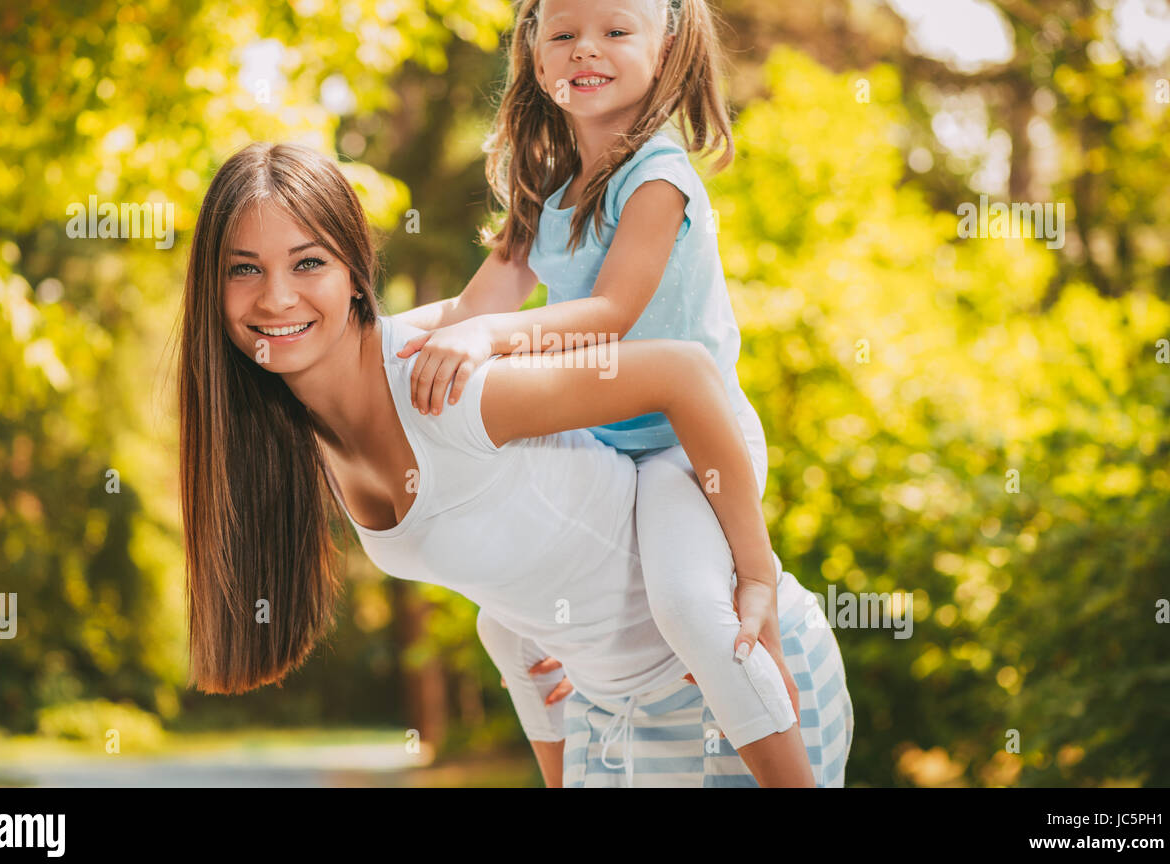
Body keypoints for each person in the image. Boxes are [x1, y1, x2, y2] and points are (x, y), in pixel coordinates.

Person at [179, 141, 852, 786]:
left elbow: (681, 373)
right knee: (499, 625)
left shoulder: (448, 386)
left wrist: (755, 574)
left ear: (355, 273)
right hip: (614, 720)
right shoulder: (295, 438)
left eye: (307, 263)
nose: (275, 298)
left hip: (744, 686)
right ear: (213, 287)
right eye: (244, 268)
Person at [391, 0, 853, 783]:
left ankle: (776, 687)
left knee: (687, 602)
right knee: (503, 620)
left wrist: (480, 338)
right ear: (534, 57)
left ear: (664, 50)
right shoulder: (546, 189)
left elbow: (610, 314)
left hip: (687, 443)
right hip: (607, 449)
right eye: (563, 36)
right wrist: (378, 352)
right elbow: (468, 311)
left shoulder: (659, 173)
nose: (587, 50)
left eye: (615, 33)